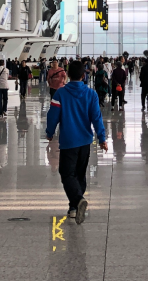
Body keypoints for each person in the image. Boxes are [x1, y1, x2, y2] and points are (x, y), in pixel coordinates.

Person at [46, 59, 107, 222]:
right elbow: (96, 118)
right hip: (85, 141)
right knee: (79, 174)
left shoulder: (60, 93)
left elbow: (53, 115)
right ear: (83, 76)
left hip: (68, 141)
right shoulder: (91, 94)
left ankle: (78, 200)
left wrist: (49, 132)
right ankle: (74, 207)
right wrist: (102, 138)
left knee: (67, 173)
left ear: (68, 74)